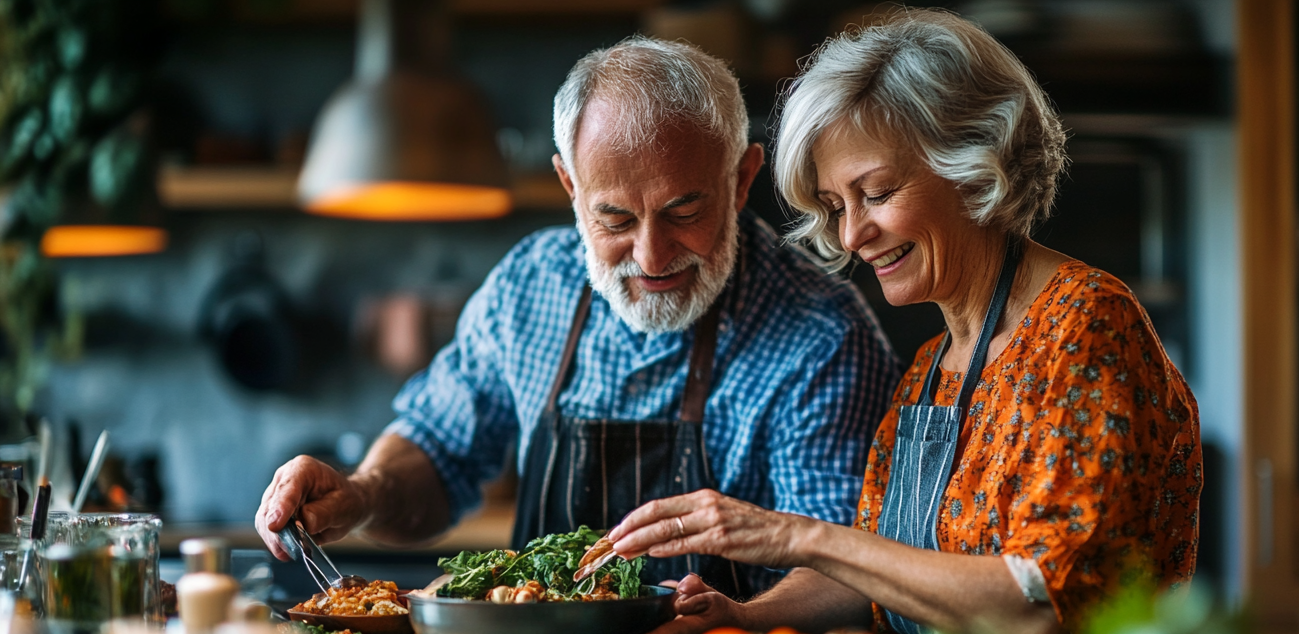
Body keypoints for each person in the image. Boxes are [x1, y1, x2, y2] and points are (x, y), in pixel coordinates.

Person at [612, 9, 1202, 634]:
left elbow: (1036, 612)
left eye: (876, 192)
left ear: (974, 162)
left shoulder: (1085, 327)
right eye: (836, 207)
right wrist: (746, 618)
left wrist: (793, 535)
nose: (851, 235)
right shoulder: (933, 366)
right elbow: (875, 577)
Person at [253, 36, 900, 602]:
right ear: (570, 186)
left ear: (741, 179)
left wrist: (742, 620)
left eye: (682, 212)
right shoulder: (531, 287)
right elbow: (438, 451)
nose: (651, 256)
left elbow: (843, 573)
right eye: (615, 218)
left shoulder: (822, 334)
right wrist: (362, 495)